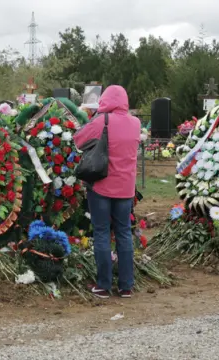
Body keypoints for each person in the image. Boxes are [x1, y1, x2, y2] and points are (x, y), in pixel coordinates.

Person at [73, 85, 140, 299]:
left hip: (102, 185)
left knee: (101, 232)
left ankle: (103, 285)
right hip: (126, 188)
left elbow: (78, 140)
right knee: (123, 232)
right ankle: (126, 286)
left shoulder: (103, 121)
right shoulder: (136, 123)